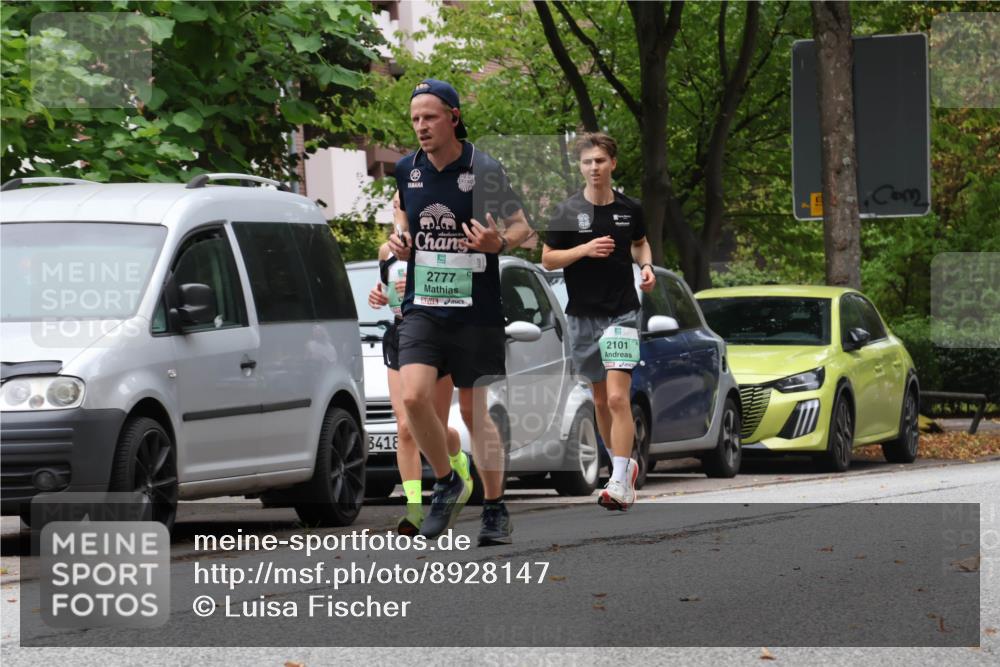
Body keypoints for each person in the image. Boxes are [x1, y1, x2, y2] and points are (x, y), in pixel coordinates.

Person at [389, 78, 533, 545]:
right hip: (423, 307)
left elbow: (522, 227)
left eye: (429, 117)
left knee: (474, 413)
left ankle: (495, 508)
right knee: (413, 400)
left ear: (452, 116)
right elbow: (401, 211)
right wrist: (399, 236)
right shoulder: (406, 169)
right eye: (414, 119)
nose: (421, 127)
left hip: (476, 309)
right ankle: (448, 481)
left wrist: (500, 242)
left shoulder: (483, 167)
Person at [541, 132, 656, 511]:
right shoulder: (566, 211)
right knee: (601, 400)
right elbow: (549, 259)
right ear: (581, 166)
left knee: (620, 396)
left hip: (622, 312)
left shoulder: (629, 209)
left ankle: (620, 480)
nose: (594, 168)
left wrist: (646, 266)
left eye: (600, 161)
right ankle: (623, 467)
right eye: (587, 162)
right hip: (582, 315)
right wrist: (586, 249)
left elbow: (639, 242)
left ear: (612, 164)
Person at [367, 193, 470, 536]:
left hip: (435, 335)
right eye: (397, 205)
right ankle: (413, 510)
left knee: (435, 429)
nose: (401, 210)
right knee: (405, 427)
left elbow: (457, 286)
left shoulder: (436, 244)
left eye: (405, 204)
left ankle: (458, 466)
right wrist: (380, 296)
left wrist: (417, 284)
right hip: (400, 335)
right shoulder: (386, 251)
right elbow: (387, 290)